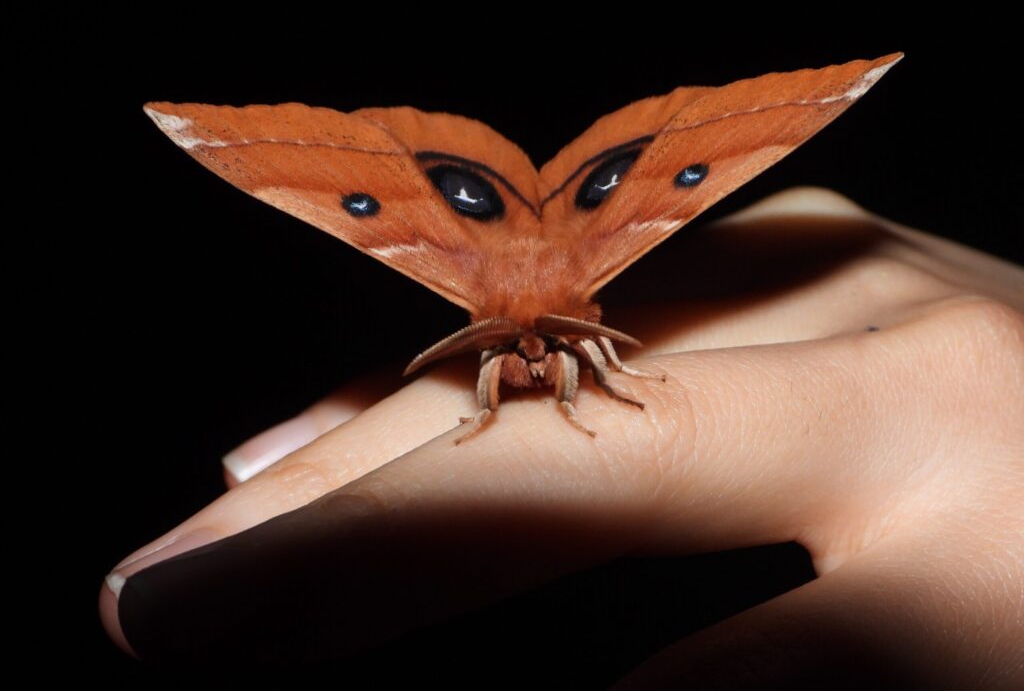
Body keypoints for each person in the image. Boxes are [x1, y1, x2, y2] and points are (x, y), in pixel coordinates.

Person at [99, 188, 1023, 688]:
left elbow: (580, 350)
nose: (537, 358)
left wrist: (601, 385)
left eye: (550, 351)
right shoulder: (506, 347)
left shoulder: (574, 338)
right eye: (520, 355)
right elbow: (516, 357)